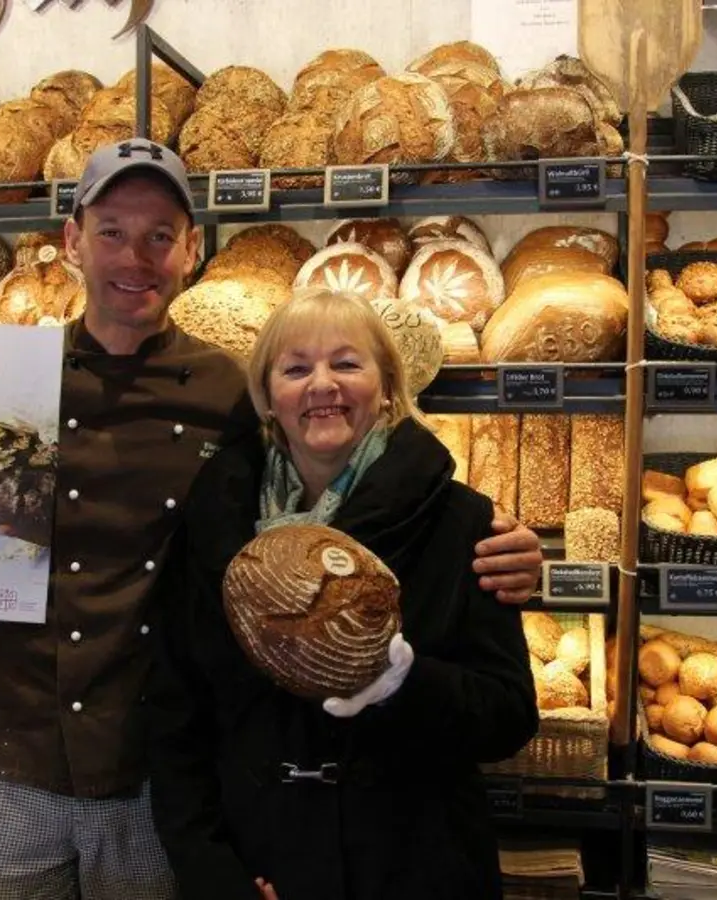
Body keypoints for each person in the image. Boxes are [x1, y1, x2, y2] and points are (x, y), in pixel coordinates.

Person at [0, 139, 545, 899]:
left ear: (190, 250)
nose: (135, 257)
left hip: (147, 763)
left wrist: (505, 544)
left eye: (160, 235)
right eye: (112, 231)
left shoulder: (224, 391)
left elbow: (357, 484)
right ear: (72, 241)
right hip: (9, 748)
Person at [147, 288, 541, 900]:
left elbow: (508, 719)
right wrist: (214, 872)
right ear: (267, 398)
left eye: (347, 363)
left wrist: (403, 684)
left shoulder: (462, 522)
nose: (322, 384)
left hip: (416, 867)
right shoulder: (214, 522)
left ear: (386, 387)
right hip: (261, 860)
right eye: (296, 368)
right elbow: (176, 713)